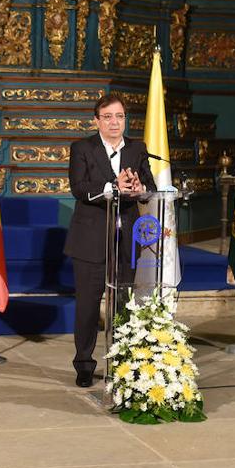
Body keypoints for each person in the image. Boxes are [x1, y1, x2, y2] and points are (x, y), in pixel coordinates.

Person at [64, 93, 158, 388]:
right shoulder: (82, 148)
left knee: (122, 303)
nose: (114, 122)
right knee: (88, 306)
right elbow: (78, 188)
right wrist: (111, 186)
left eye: (119, 116)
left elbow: (150, 187)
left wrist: (141, 188)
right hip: (90, 237)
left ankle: (119, 362)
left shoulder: (137, 148)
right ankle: (84, 365)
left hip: (125, 238)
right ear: (97, 121)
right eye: (107, 117)